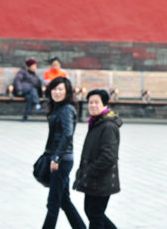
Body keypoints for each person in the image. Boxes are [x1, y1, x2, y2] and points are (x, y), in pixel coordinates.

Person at [73, 89, 122, 229]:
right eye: (90, 102)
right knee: (93, 212)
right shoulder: (96, 122)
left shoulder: (108, 126)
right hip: (93, 178)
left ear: (105, 104)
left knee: (95, 215)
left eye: (96, 102)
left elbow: (109, 156)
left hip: (101, 179)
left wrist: (90, 170)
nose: (93, 105)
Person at [42, 77, 86, 229]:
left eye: (60, 89)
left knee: (53, 203)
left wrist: (56, 157)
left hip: (61, 160)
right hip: (59, 157)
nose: (57, 92)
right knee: (64, 201)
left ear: (67, 92)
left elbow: (68, 134)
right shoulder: (58, 108)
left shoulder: (66, 109)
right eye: (54, 89)